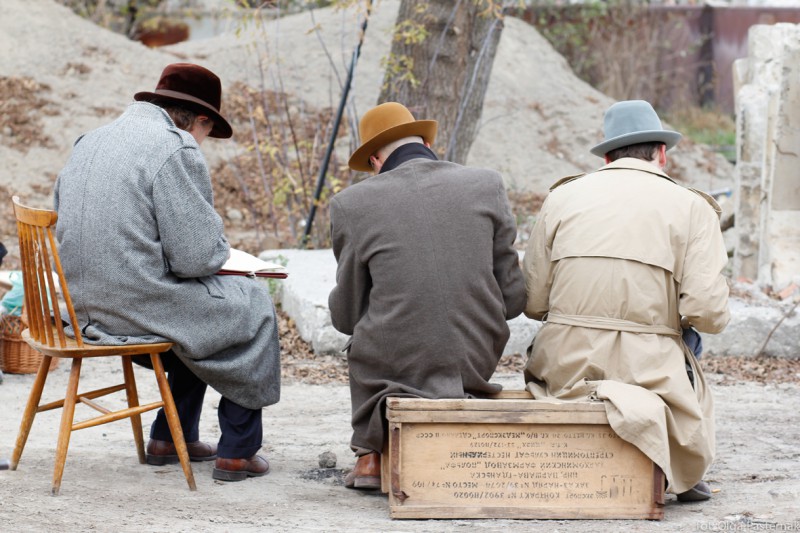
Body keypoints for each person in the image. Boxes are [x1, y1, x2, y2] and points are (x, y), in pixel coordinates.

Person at [53, 63, 279, 482]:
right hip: (133, 310)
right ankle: (239, 452)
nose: (204, 141)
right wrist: (222, 252)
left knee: (199, 311)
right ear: (201, 119)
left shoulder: (90, 141)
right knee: (254, 306)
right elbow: (195, 259)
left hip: (77, 307)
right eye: (208, 132)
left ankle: (170, 437)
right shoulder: (175, 146)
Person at [522, 100, 730, 502]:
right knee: (691, 339)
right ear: (662, 154)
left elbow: (533, 302)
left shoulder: (562, 198)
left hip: (568, 365)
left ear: (606, 156)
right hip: (650, 369)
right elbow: (708, 312)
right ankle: (677, 459)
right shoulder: (691, 206)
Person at [328, 102, 526, 489]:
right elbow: (514, 298)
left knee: (366, 340)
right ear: (427, 143)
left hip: (399, 360)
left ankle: (369, 454)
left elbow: (347, 313)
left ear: (374, 160)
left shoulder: (351, 204)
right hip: (475, 353)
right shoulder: (487, 184)